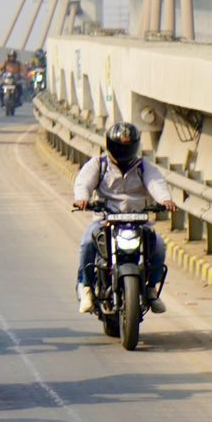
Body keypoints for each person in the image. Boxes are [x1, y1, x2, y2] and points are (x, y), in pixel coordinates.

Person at [73, 122, 176, 314]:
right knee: (88, 242)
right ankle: (86, 286)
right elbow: (83, 183)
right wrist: (82, 199)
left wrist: (165, 199)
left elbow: (156, 183)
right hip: (105, 219)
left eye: (127, 147)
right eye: (120, 147)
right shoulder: (99, 164)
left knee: (159, 245)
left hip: (138, 220)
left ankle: (152, 288)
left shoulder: (143, 166)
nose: (123, 151)